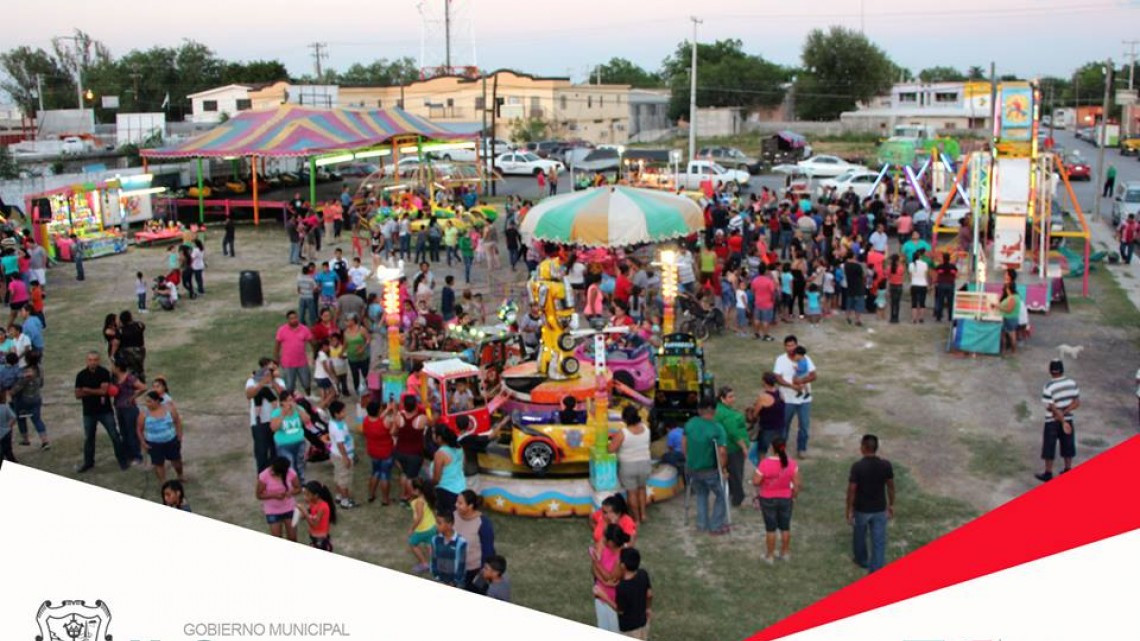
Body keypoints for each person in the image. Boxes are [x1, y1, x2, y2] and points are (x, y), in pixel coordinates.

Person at [847, 434, 895, 573]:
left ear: (863, 448)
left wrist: (849, 509)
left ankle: (861, 559)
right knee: (878, 540)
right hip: (879, 508)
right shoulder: (885, 465)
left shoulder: (857, 467)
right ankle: (877, 568)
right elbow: (890, 486)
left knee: (859, 536)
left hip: (861, 509)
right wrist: (891, 504)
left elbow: (852, 490)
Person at [75, 351, 128, 472]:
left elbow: (104, 392)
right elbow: (77, 394)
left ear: (98, 361)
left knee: (114, 435)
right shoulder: (81, 375)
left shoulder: (104, 373)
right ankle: (88, 463)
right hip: (88, 412)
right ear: (86, 360)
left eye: (95, 360)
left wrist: (87, 390)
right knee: (89, 438)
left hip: (105, 411)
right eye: (90, 360)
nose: (92, 362)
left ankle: (122, 460)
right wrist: (96, 390)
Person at [683, 398, 728, 535]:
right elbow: (722, 452)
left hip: (692, 468)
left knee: (701, 494)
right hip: (710, 470)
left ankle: (702, 525)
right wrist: (724, 468)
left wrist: (688, 459)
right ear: (714, 411)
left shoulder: (690, 424)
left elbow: (684, 443)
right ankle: (715, 526)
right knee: (721, 495)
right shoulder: (717, 428)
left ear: (699, 410)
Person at [752, 436, 800, 564]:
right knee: (785, 527)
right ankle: (785, 553)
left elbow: (756, 481)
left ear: (772, 448)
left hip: (768, 498)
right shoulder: (792, 464)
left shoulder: (765, 464)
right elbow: (797, 485)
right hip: (786, 498)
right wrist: (793, 497)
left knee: (770, 528)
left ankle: (770, 556)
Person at [1036, 359, 1080, 481]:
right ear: (1062, 370)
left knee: (1049, 446)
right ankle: (1067, 469)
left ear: (1050, 371)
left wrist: (1059, 416)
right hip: (1068, 419)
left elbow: (1050, 406)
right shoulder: (1072, 383)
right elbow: (1076, 402)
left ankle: (1048, 473)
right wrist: (1065, 414)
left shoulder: (1049, 386)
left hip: (1052, 420)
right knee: (1068, 444)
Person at [774, 335, 816, 457]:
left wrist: (801, 382)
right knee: (784, 425)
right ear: (784, 346)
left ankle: (801, 448)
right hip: (787, 399)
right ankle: (781, 450)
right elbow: (777, 378)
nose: (790, 348)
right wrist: (792, 386)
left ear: (796, 345)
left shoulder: (806, 358)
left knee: (804, 425)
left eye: (793, 345)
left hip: (804, 400)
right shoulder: (780, 360)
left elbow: (814, 375)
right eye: (788, 345)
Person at [596, 548, 651, 640]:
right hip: (643, 623)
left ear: (623, 566)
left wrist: (603, 596)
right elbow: (649, 594)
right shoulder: (643, 574)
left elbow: (620, 610)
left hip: (629, 629)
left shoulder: (622, 587)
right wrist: (648, 608)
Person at [609, 405, 652, 523]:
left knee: (631, 492)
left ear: (625, 419)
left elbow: (611, 449)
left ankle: (636, 519)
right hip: (645, 464)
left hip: (628, 466)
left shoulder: (623, 433)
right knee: (642, 489)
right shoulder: (646, 429)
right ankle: (644, 515)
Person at [245, 358, 285, 473]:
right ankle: (263, 477)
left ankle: (276, 475)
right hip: (259, 422)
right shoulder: (252, 381)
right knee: (261, 452)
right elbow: (249, 394)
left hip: (276, 420)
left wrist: (272, 382)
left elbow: (283, 394)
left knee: (276, 450)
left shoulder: (278, 381)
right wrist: (262, 383)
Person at [714, 386, 750, 509]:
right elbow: (733, 433)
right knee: (736, 473)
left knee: (730, 472)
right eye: (730, 397)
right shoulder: (727, 415)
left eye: (733, 396)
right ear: (722, 399)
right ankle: (738, 498)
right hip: (733, 448)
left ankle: (731, 493)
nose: (733, 399)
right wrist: (744, 447)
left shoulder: (718, 410)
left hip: (724, 447)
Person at [137, 390, 184, 484]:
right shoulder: (144, 414)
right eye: (146, 401)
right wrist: (143, 442)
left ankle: (180, 475)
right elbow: (139, 429)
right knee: (158, 464)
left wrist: (179, 436)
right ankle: (163, 482)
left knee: (176, 461)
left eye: (149, 401)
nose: (147, 404)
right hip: (154, 444)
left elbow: (177, 421)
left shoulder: (169, 409)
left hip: (171, 440)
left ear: (157, 401)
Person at [454, 489, 496, 591]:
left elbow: (488, 551)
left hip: (472, 570)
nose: (456, 505)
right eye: (456, 502)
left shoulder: (483, 524)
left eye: (460, 503)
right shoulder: (454, 515)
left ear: (470, 506)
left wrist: (483, 573)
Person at [591, 523, 628, 632]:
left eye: (606, 538)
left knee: (615, 629)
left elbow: (611, 577)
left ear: (611, 542)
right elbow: (593, 569)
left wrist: (597, 563)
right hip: (600, 594)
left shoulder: (622, 556)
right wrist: (603, 581)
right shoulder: (602, 546)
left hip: (614, 600)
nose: (603, 540)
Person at [269, 393, 311, 483]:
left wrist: (299, 410)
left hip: (299, 442)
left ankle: (302, 482)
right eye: (288, 400)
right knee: (289, 465)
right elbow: (273, 428)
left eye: (291, 399)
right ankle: (291, 484)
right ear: (282, 403)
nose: (290, 403)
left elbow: (307, 420)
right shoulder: (276, 412)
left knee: (300, 463)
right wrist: (283, 415)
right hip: (284, 445)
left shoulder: (299, 409)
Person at [257, 456, 300, 542]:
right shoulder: (264, 476)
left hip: (289, 508)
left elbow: (298, 488)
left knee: (292, 538)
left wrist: (290, 492)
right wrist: (274, 495)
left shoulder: (290, 472)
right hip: (272, 511)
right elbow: (259, 495)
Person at [111, 359, 146, 465]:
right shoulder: (115, 378)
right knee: (124, 432)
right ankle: (128, 455)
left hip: (129, 409)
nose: (111, 368)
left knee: (132, 433)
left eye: (113, 366)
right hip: (119, 408)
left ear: (118, 368)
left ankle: (137, 456)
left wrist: (132, 397)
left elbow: (143, 387)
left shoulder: (129, 377)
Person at [362, 399, 396, 505]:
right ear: (378, 411)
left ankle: (371, 495)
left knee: (375, 472)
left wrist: (387, 409)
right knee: (385, 475)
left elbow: (377, 417)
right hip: (386, 452)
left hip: (373, 451)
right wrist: (394, 412)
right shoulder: (385, 423)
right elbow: (393, 430)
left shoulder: (366, 421)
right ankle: (385, 499)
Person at [12, 351, 48, 449]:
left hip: (23, 399)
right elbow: (41, 384)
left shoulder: (25, 372)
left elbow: (18, 387)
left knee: (21, 419)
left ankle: (26, 439)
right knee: (37, 419)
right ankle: (45, 441)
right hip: (36, 397)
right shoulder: (40, 368)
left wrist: (10, 393)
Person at [326, 400, 357, 508]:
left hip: (335, 454)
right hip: (342, 455)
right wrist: (346, 458)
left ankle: (339, 496)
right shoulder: (338, 429)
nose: (345, 413)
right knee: (344, 479)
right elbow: (340, 444)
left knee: (338, 476)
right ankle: (345, 500)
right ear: (336, 414)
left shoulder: (333, 422)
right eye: (343, 411)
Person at [274, 311, 313, 395]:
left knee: (306, 382)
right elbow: (277, 346)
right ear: (288, 320)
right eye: (291, 318)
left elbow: (312, 342)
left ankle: (309, 396)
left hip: (302, 362)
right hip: (288, 363)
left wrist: (315, 354)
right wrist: (276, 359)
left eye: (295, 318)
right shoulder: (282, 330)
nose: (294, 320)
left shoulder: (304, 329)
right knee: (290, 385)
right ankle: (291, 399)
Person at [431, 423, 466, 514]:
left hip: (446, 491)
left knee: (445, 518)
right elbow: (462, 466)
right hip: (461, 488)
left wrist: (428, 485)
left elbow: (436, 479)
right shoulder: (460, 448)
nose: (432, 435)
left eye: (434, 433)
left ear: (439, 438)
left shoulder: (440, 453)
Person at [430, 511, 468, 588]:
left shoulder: (461, 542)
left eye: (439, 523)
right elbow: (433, 558)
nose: (436, 525)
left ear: (449, 525)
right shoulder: (435, 539)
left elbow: (461, 565)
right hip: (440, 579)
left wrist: (455, 582)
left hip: (455, 582)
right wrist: (436, 575)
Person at [407, 478, 437, 574]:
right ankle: (435, 564)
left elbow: (419, 517)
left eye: (411, 488)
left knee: (412, 543)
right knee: (429, 545)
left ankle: (424, 564)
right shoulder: (427, 496)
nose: (410, 490)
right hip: (432, 526)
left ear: (416, 490)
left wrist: (412, 528)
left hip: (423, 529)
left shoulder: (419, 502)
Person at [302, 480, 337, 552]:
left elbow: (315, 525)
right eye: (304, 494)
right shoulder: (312, 502)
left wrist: (305, 513)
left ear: (316, 495)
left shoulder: (323, 507)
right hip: (314, 536)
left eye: (307, 494)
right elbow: (309, 515)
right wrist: (304, 512)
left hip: (320, 538)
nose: (305, 497)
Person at [118, 311, 147, 382]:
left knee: (131, 368)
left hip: (128, 351)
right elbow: (143, 325)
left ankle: (134, 381)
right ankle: (141, 379)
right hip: (140, 350)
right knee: (140, 366)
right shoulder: (138, 326)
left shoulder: (121, 330)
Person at [751, 264, 777, 341]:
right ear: (765, 271)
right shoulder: (769, 281)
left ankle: (756, 333)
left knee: (757, 319)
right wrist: (773, 300)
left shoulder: (755, 280)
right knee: (766, 320)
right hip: (767, 303)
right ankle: (765, 335)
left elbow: (753, 291)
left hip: (758, 302)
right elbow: (773, 292)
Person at [997, 282, 1021, 355]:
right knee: (1004, 334)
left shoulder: (1012, 298)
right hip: (1008, 318)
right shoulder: (1015, 296)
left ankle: (1013, 351)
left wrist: (998, 307)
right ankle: (1006, 350)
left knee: (1011, 335)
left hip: (1010, 319)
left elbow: (1009, 310)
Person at [908, 248, 930, 323]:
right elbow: (926, 276)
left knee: (914, 302)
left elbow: (910, 277)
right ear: (920, 256)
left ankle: (914, 318)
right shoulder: (924, 264)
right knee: (922, 302)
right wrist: (928, 284)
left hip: (914, 284)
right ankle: (921, 318)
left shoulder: (911, 265)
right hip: (923, 284)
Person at [0, 390, 15, 467]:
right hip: (6, 433)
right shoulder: (5, 407)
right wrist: (8, 426)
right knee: (8, 450)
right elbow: (13, 417)